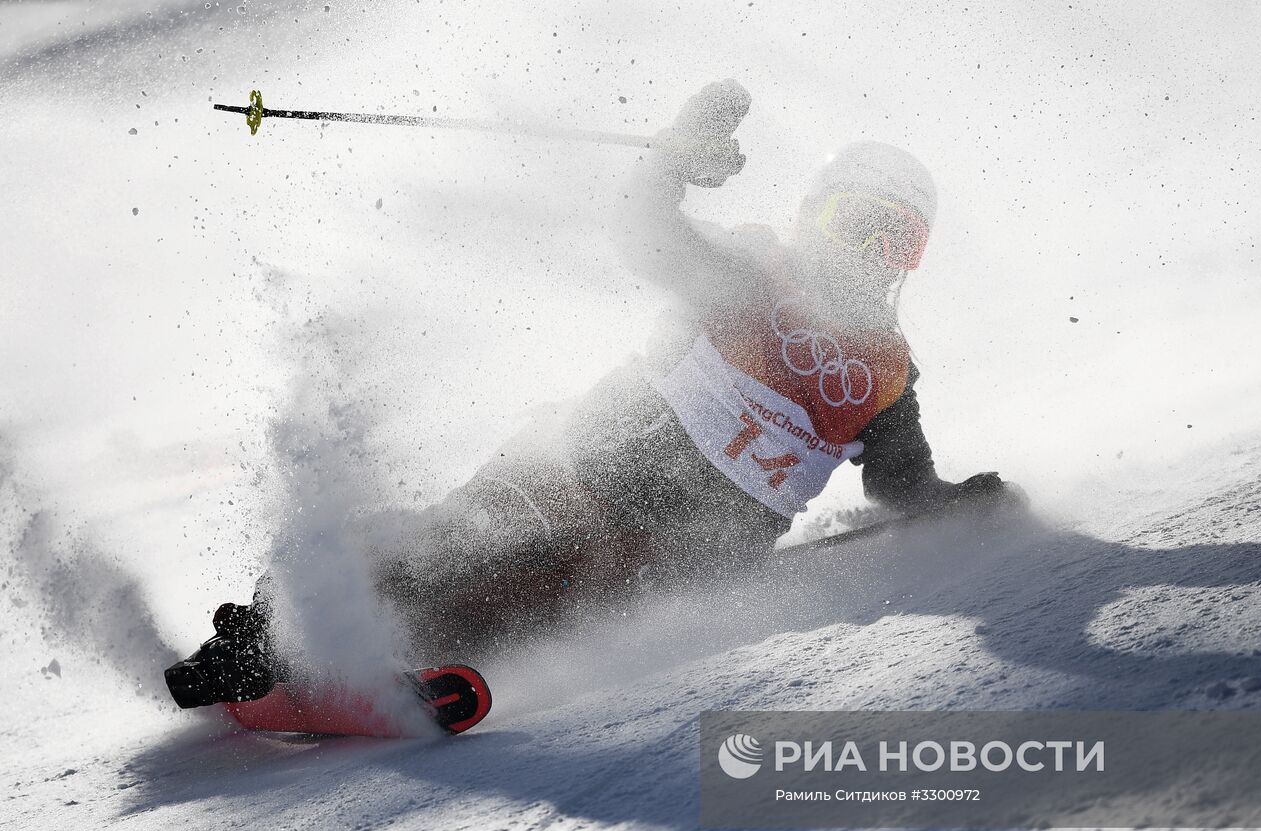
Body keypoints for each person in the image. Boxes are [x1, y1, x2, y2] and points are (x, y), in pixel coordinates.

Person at [164, 79, 1017, 708]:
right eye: (854, 226)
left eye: (895, 241)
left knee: (533, 605)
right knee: (468, 549)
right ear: (813, 216)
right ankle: (264, 635)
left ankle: (375, 658)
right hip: (587, 466)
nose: (869, 254)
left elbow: (900, 478)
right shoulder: (754, 269)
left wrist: (946, 499)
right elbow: (645, 237)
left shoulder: (886, 372)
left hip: (677, 550)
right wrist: (669, 159)